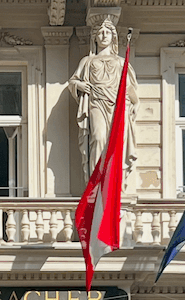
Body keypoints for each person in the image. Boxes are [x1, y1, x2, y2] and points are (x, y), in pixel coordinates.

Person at [68, 19, 138, 181]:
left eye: (107, 32)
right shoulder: (87, 61)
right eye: (100, 32)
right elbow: (73, 81)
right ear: (95, 38)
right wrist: (80, 85)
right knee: (98, 138)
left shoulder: (121, 62)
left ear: (113, 37)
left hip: (118, 106)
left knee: (116, 141)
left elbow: (129, 87)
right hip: (96, 103)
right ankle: (98, 180)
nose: (104, 35)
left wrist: (136, 102)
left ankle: (113, 180)